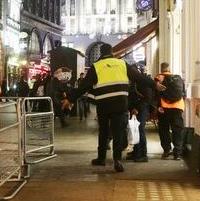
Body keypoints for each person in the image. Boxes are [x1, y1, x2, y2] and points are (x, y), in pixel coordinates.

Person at [63, 44, 162, 172]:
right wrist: (155, 85)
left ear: (100, 53)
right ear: (112, 52)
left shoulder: (96, 66)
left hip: (104, 104)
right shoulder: (122, 64)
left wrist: (69, 99)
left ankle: (101, 158)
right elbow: (140, 77)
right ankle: (117, 160)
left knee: (103, 131)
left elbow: (84, 87)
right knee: (118, 132)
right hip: (120, 104)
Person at [126, 64, 155, 162]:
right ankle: (136, 152)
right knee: (134, 131)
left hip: (142, 110)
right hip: (134, 110)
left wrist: (137, 108)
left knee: (140, 130)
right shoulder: (133, 82)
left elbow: (147, 98)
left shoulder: (144, 81)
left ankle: (143, 154)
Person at [156, 62, 186, 160]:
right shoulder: (178, 78)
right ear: (169, 69)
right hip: (178, 107)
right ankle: (177, 152)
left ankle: (166, 150)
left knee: (164, 130)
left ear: (161, 69)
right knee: (177, 130)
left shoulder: (159, 78)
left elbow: (155, 92)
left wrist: (158, 106)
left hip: (164, 108)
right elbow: (183, 93)